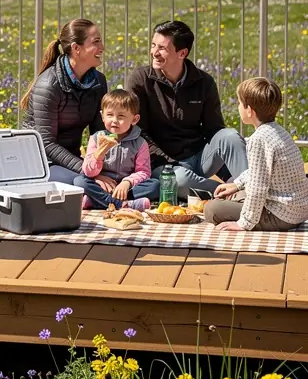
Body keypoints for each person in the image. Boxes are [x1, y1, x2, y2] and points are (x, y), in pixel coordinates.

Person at [126, 20, 247, 201]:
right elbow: (138, 132)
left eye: (162, 48)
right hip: (161, 164)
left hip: (197, 158)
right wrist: (170, 164)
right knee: (179, 180)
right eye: (153, 46)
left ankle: (249, 187)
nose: (154, 53)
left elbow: (214, 130)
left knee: (229, 136)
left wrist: (225, 171)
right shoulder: (140, 80)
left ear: (182, 53)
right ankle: (237, 194)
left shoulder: (204, 82)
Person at [205, 78, 308, 232]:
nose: (238, 106)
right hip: (297, 212)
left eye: (240, 103)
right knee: (238, 194)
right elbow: (258, 173)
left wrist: (243, 223)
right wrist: (236, 184)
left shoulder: (258, 140)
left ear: (249, 110)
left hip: (281, 216)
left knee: (211, 209)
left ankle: (247, 215)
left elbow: (258, 187)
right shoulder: (280, 132)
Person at [22, 18, 107, 184]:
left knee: (116, 180)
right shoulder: (48, 85)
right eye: (96, 42)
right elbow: (46, 144)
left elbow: (98, 134)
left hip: (71, 160)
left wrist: (102, 165)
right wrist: (86, 170)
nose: (102, 48)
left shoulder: (99, 82)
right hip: (41, 162)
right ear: (76, 48)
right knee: (84, 184)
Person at [74, 88, 158, 212]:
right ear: (102, 116)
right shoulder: (96, 138)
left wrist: (127, 182)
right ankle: (123, 204)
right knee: (80, 181)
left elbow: (144, 172)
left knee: (155, 185)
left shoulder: (140, 143)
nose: (114, 120)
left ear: (134, 119)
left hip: (127, 187)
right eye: (109, 115)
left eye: (121, 116)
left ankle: (97, 202)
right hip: (104, 186)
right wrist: (100, 153)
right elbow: (88, 171)